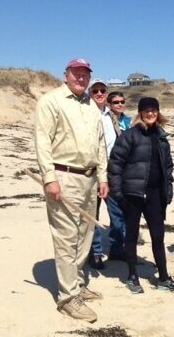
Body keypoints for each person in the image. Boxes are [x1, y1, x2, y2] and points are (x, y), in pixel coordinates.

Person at [34, 58, 109, 323]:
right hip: (63, 177)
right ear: (66, 75)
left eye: (85, 74)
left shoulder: (92, 105)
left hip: (89, 180)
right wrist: (49, 178)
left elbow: (100, 144)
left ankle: (77, 283)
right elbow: (42, 141)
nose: (81, 78)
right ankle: (67, 298)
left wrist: (102, 177)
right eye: (76, 73)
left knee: (85, 234)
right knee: (66, 236)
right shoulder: (51, 101)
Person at [107, 97, 174, 294]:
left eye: (154, 110)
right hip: (132, 194)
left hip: (155, 195)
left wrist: (168, 190)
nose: (150, 114)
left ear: (158, 113)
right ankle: (133, 276)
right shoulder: (130, 136)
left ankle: (164, 278)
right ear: (140, 113)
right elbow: (115, 165)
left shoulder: (161, 137)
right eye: (147, 110)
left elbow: (168, 167)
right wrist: (117, 193)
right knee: (131, 236)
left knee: (158, 237)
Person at [87, 82, 128, 269]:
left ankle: (117, 249)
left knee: (117, 213)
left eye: (103, 90)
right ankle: (95, 253)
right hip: (91, 171)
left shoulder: (112, 115)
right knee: (92, 213)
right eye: (95, 91)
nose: (99, 93)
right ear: (90, 93)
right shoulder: (85, 111)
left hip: (112, 171)